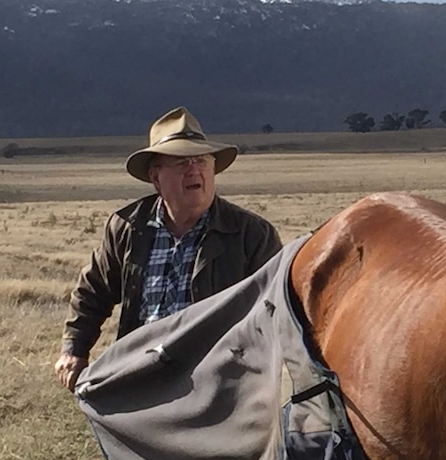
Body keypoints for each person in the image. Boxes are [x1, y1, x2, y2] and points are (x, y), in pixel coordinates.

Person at [55, 106, 283, 392]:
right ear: (155, 177)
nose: (194, 170)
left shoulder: (251, 235)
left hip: (218, 381)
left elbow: (276, 311)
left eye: (201, 160)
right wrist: (74, 349)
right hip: (139, 372)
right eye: (181, 162)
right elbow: (94, 291)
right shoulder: (128, 227)